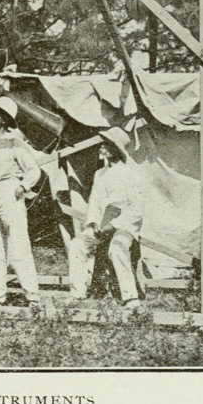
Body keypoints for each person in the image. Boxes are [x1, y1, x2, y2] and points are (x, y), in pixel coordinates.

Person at [67, 126, 144, 310]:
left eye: (106, 145)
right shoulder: (99, 174)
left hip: (124, 226)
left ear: (115, 150)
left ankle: (131, 298)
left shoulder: (130, 174)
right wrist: (93, 224)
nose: (102, 148)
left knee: (116, 249)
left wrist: (114, 225)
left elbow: (137, 209)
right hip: (101, 226)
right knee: (77, 245)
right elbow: (94, 203)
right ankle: (77, 294)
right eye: (102, 144)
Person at [0, 96, 42, 307]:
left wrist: (23, 186)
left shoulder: (16, 143)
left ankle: (32, 296)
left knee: (18, 245)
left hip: (9, 191)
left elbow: (34, 169)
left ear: (4, 120)